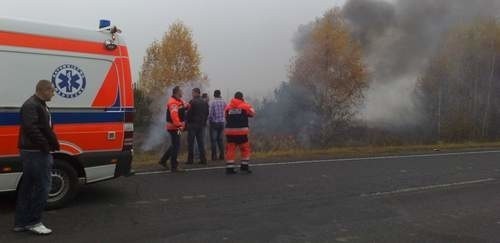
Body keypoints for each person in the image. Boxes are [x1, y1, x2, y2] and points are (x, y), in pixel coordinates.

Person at [14, 80, 59, 235]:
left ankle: (21, 222)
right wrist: (45, 146)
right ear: (44, 90)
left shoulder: (39, 104)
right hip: (35, 153)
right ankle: (34, 222)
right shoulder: (31, 105)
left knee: (28, 187)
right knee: (43, 187)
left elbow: (42, 127)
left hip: (34, 152)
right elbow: (31, 128)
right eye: (52, 91)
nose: (53, 94)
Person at [224, 91, 256, 174]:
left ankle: (230, 168)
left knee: (230, 150)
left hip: (230, 132)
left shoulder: (228, 107)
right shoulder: (245, 106)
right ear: (242, 97)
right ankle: (244, 167)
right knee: (245, 149)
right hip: (241, 132)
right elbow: (252, 113)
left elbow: (225, 116)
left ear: (234, 97)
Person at [159, 86, 188, 172]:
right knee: (176, 146)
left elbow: (184, 105)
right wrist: (179, 125)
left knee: (175, 144)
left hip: (178, 128)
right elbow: (174, 116)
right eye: (181, 91)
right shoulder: (173, 103)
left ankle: (163, 161)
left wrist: (188, 105)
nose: (182, 92)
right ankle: (174, 166)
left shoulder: (179, 101)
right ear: (176, 93)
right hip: (174, 128)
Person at [186, 88, 209, 164]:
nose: (192, 94)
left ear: (196, 93)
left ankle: (190, 160)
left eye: (192, 93)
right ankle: (203, 159)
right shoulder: (205, 102)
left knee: (191, 143)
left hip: (192, 124)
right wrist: (204, 122)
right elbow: (207, 113)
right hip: (201, 125)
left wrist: (187, 123)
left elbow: (188, 114)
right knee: (200, 142)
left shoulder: (192, 102)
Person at [208, 90, 226, 161]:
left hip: (214, 123)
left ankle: (214, 156)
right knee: (220, 140)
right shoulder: (224, 102)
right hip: (222, 122)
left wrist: (210, 120)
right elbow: (226, 111)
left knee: (213, 140)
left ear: (214, 95)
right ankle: (222, 155)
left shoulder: (212, 102)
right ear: (220, 94)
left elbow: (210, 114)